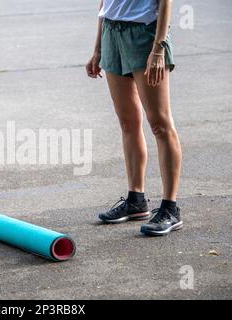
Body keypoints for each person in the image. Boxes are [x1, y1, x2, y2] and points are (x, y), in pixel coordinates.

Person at [86, 0, 183, 236]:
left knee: (160, 124)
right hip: (111, 31)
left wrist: (158, 48)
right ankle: (136, 200)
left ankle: (170, 209)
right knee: (127, 122)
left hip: (145, 33)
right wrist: (98, 47)